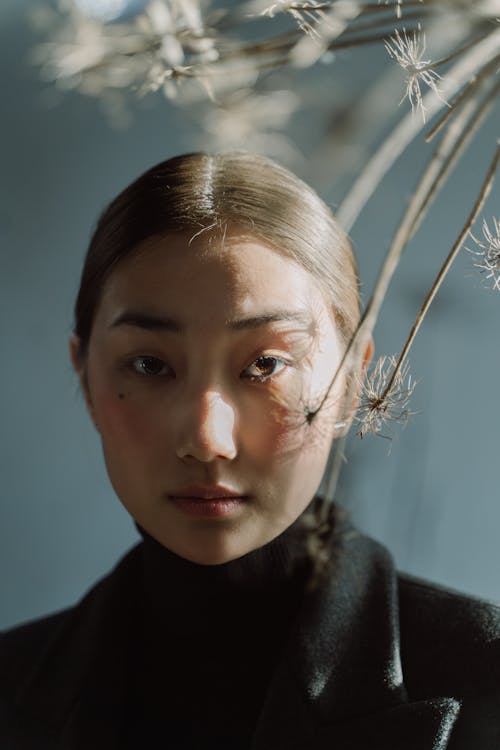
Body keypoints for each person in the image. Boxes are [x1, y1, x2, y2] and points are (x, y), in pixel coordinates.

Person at [0, 152, 498, 749]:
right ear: (85, 375)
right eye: (151, 364)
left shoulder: (483, 680)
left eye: (265, 365)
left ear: (353, 379)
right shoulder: (13, 687)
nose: (208, 440)